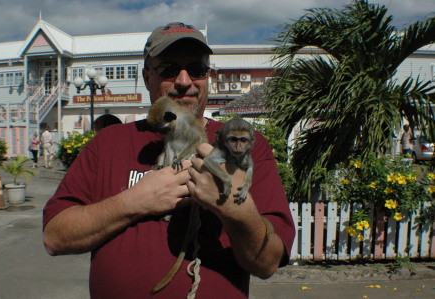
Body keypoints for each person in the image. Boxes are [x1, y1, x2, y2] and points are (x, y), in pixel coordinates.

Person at [43, 22, 295, 298]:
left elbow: (268, 262)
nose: (185, 81)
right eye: (169, 69)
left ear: (207, 77)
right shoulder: (108, 143)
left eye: (197, 70)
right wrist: (135, 201)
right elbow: (55, 237)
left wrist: (234, 205)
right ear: (147, 76)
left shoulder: (241, 141)